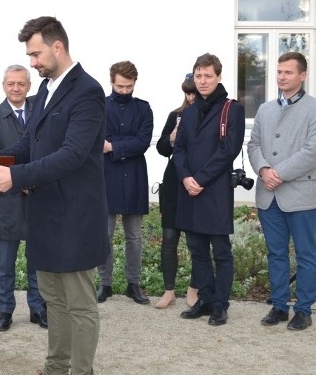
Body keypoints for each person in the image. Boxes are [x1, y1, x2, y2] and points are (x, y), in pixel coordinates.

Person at [0, 16, 109, 375]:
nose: (32, 62)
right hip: (46, 214)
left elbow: (73, 154)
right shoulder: (47, 90)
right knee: (54, 300)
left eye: (35, 54)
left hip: (76, 218)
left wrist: (14, 177)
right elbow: (29, 144)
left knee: (80, 307)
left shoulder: (87, 91)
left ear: (57, 47)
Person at [247, 52, 316, 330]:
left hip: (299, 196)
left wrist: (277, 174)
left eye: (288, 72)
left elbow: (314, 151)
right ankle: (279, 306)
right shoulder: (264, 109)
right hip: (267, 195)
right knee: (276, 253)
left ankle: (303, 310)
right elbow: (253, 145)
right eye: (279, 72)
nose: (282, 77)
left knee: (306, 254)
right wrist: (262, 170)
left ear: (302, 75)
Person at [173, 53, 244, 326]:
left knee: (221, 251)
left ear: (218, 77)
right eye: (198, 76)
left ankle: (220, 304)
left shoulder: (231, 109)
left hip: (213, 190)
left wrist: (200, 179)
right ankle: (205, 298)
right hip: (189, 189)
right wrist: (186, 177)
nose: (202, 81)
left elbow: (229, 150)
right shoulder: (189, 112)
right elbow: (179, 151)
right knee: (197, 249)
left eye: (208, 76)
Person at [0, 64, 47, 332]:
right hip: (8, 200)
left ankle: (38, 307)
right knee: (5, 263)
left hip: (37, 197)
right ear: (4, 86)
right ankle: (5, 310)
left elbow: (46, 152)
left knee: (37, 260)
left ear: (29, 86)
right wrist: (18, 181)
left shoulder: (40, 113)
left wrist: (32, 179)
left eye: (21, 84)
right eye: (11, 84)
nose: (16, 88)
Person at [97, 61, 153, 306]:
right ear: (111, 81)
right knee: (104, 235)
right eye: (120, 86)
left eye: (128, 86)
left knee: (134, 236)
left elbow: (143, 141)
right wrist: (122, 144)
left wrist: (114, 146)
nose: (124, 91)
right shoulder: (100, 107)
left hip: (134, 176)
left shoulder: (143, 108)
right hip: (106, 175)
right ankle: (105, 284)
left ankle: (133, 284)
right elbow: (98, 140)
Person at [154, 74, 199, 309]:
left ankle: (193, 289)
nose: (191, 97)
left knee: (195, 241)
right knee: (169, 239)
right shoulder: (175, 115)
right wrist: (170, 137)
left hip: (196, 182)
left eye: (194, 92)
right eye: (188, 93)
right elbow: (161, 149)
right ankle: (169, 291)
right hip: (173, 181)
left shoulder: (208, 115)